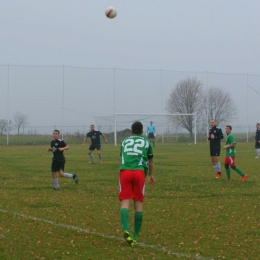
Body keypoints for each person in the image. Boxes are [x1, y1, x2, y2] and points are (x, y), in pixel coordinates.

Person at [119, 121, 155, 247]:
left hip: (125, 171)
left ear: (131, 131)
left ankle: (126, 229)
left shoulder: (124, 141)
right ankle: (135, 236)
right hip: (139, 172)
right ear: (142, 131)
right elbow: (151, 162)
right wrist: (150, 175)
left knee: (125, 201)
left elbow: (122, 156)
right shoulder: (146, 141)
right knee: (138, 203)